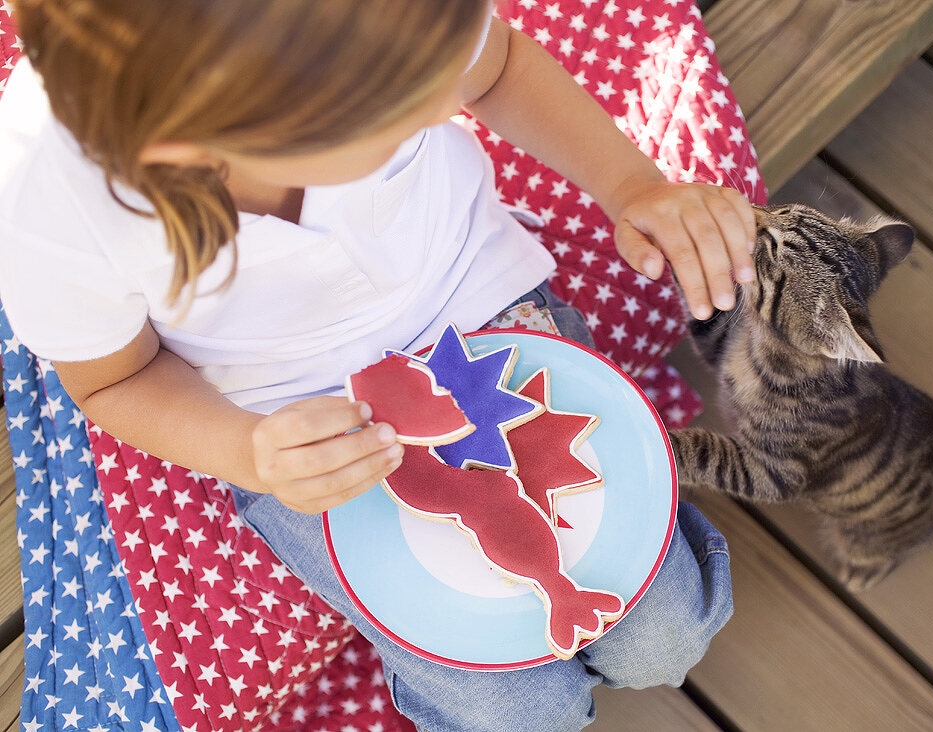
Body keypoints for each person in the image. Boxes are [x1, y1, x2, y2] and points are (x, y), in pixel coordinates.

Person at [0, 1, 750, 728]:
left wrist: (633, 185)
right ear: (192, 149)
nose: (441, 106)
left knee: (667, 637)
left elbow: (497, 69)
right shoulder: (50, 195)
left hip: (473, 299)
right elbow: (111, 378)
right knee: (518, 713)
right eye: (404, 110)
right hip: (291, 412)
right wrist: (250, 454)